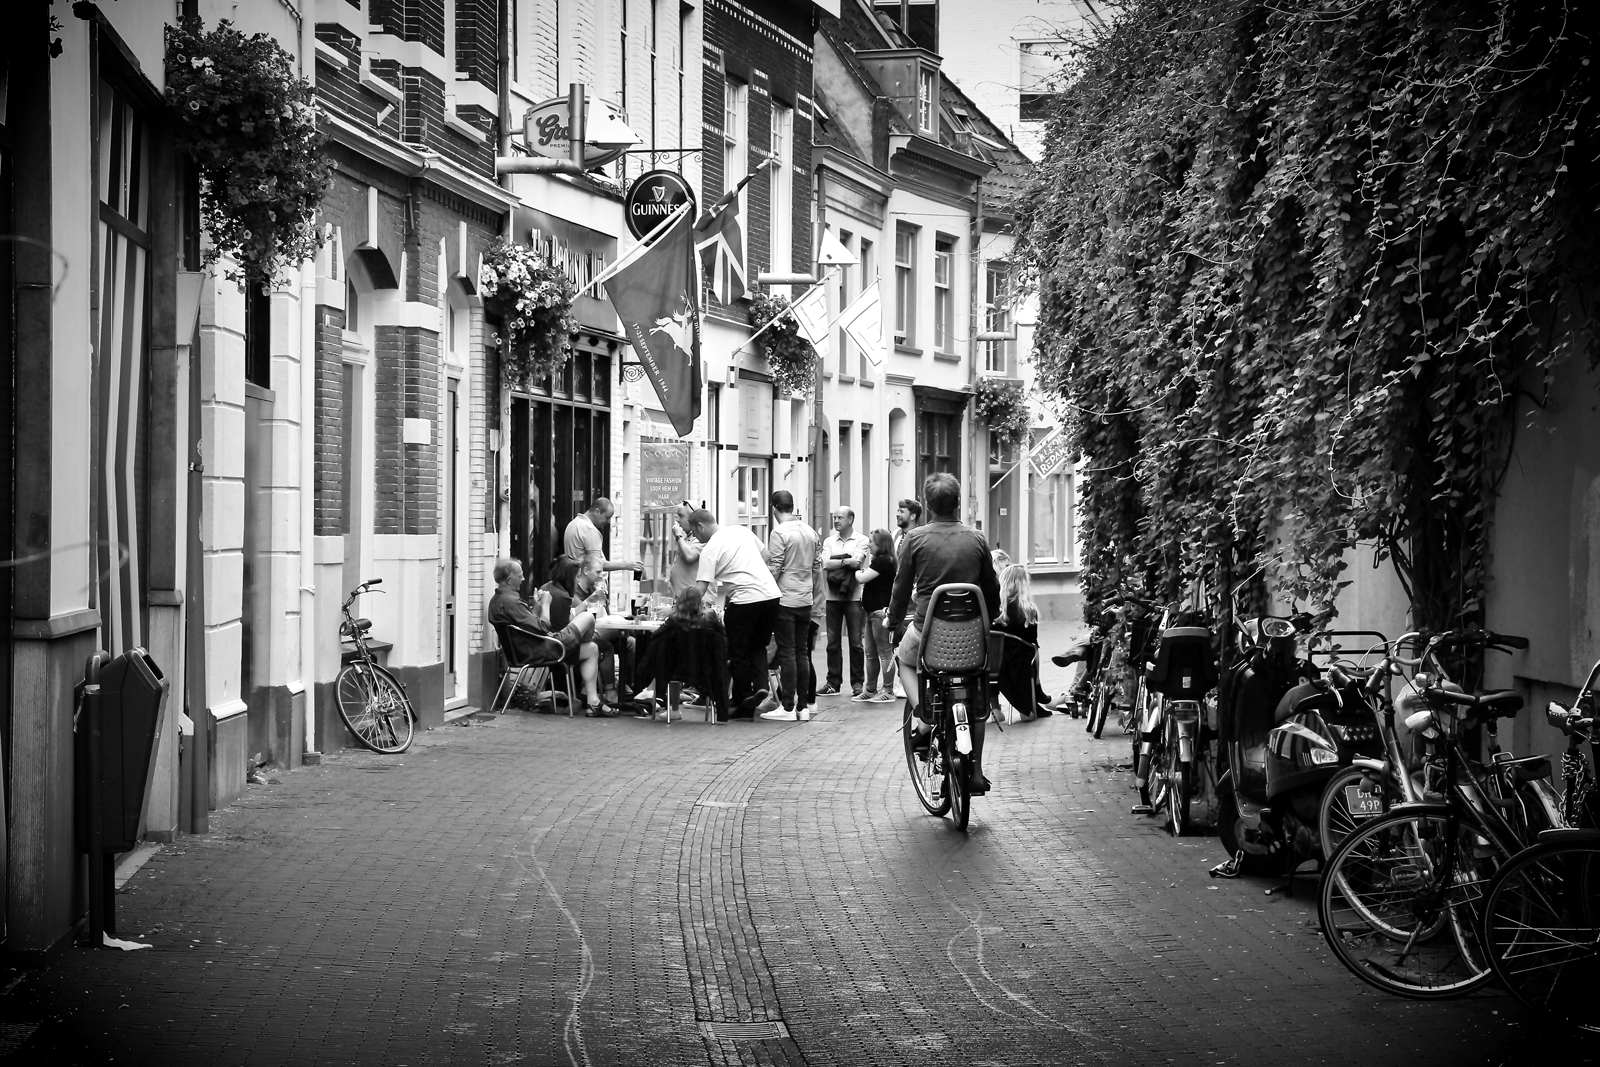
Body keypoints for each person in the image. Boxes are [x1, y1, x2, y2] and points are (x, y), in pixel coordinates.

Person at [888, 473, 1001, 792]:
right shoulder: (977, 539)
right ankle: (975, 771)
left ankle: (924, 716)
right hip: (971, 638)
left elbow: (900, 587)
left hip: (928, 634)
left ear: (927, 504)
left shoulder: (915, 539)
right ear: (958, 502)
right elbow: (990, 589)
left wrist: (894, 620)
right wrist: (991, 618)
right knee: (976, 694)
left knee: (904, 660)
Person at [487, 557, 615, 717]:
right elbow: (542, 627)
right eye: (520, 576)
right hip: (543, 649)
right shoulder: (511, 602)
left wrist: (538, 607)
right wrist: (546, 604)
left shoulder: (498, 601)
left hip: (530, 649)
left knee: (591, 649)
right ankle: (594, 697)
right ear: (508, 579)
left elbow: (527, 627)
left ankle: (593, 702)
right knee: (588, 617)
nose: (523, 578)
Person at [686, 509, 782, 718]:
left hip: (745, 600)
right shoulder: (741, 531)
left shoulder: (710, 549)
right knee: (758, 645)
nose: (696, 538)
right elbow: (766, 556)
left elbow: (700, 589)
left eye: (694, 533)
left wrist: (679, 607)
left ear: (700, 526)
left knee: (737, 653)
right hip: (771, 595)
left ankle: (743, 702)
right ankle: (760, 686)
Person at [764, 490, 820, 721]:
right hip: (805, 598)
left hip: (785, 598)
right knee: (802, 653)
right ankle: (804, 706)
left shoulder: (779, 532)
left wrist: (766, 589)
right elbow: (817, 566)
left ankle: (787, 706)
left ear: (774, 508)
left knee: (787, 652)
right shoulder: (810, 531)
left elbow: (775, 567)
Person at [633, 585, 726, 717]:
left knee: (670, 665)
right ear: (700, 602)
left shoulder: (674, 620)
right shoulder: (710, 618)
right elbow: (722, 637)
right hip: (704, 667)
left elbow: (655, 636)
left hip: (676, 667)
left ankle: (671, 707)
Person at [568, 551, 637, 705]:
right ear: (585, 571)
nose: (601, 576)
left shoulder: (595, 588)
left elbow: (605, 615)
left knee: (630, 642)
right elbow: (579, 615)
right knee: (606, 647)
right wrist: (593, 599)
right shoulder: (575, 591)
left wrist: (602, 600)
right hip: (585, 635)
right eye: (598, 572)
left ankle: (626, 686)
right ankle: (610, 690)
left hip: (599, 630)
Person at [819, 505, 870, 697]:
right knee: (832, 642)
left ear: (850, 520)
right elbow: (825, 564)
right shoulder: (829, 541)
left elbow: (858, 562)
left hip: (854, 597)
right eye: (834, 517)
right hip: (832, 597)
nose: (836, 521)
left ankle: (857, 683)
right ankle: (833, 682)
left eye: (840, 518)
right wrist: (845, 560)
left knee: (856, 642)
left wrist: (837, 561)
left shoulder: (862, 539)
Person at [993, 564, 1054, 720]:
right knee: (1032, 651)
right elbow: (1033, 642)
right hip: (1021, 664)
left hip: (996, 665)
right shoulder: (1029, 610)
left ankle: (995, 709)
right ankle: (1034, 697)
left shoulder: (995, 609)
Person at [858, 528, 898, 702]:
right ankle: (870, 689)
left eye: (872, 542)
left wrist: (857, 570)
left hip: (880, 613)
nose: (869, 544)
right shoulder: (882, 560)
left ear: (881, 544)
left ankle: (887, 691)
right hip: (871, 612)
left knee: (884, 653)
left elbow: (862, 578)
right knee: (871, 653)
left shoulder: (883, 561)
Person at [562, 497, 645, 576]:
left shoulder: (573, 524)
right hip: (588, 585)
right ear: (597, 512)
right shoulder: (590, 530)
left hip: (575, 579)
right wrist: (626, 565)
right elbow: (596, 564)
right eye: (607, 517)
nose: (608, 522)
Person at [667, 501, 704, 598]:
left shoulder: (701, 537)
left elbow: (690, 556)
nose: (677, 520)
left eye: (681, 516)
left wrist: (678, 536)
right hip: (682, 598)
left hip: (693, 601)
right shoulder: (687, 538)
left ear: (692, 519)